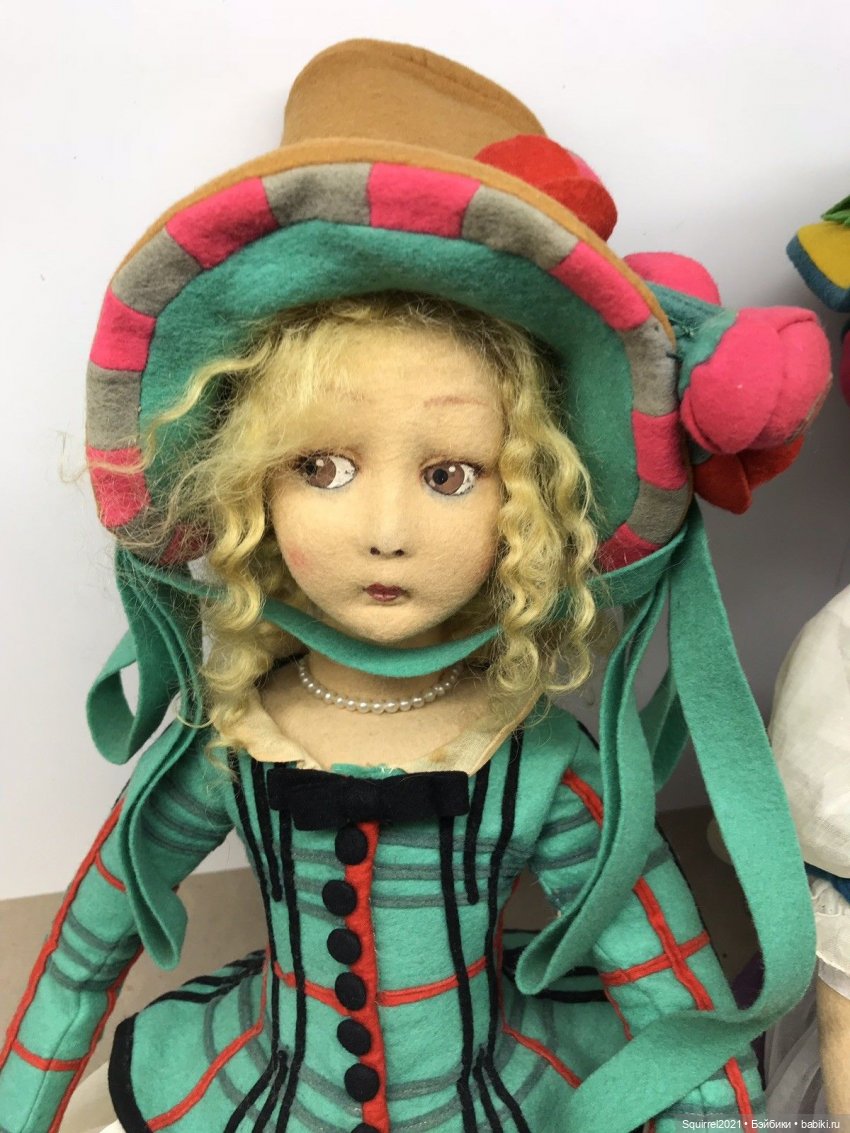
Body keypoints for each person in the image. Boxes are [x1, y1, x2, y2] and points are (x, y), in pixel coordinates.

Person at [0, 38, 832, 1133]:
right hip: (255, 1087)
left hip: (494, 1094)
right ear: (245, 485)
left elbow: (669, 993)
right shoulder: (226, 741)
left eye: (450, 475)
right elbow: (83, 953)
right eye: (320, 466)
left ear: (527, 504)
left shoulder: (541, 764)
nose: (387, 533)